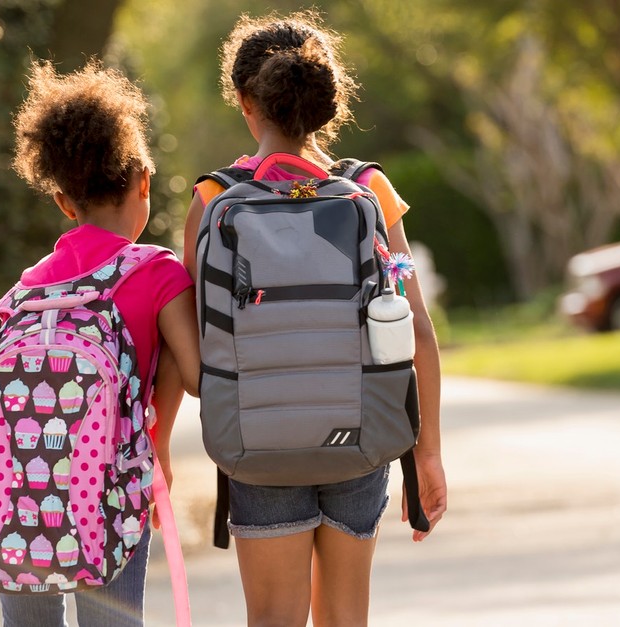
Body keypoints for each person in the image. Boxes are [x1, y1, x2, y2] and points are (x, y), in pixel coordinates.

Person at [181, 12, 448, 627]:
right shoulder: (369, 189)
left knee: (273, 618)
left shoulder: (212, 201)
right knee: (345, 617)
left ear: (246, 101)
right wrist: (425, 455)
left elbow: (197, 352)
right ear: (327, 99)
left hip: (257, 441)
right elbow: (417, 335)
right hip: (358, 437)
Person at [2, 59, 200, 627]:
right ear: (144, 180)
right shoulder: (157, 272)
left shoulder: (32, 283)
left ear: (64, 202)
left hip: (20, 483)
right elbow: (196, 375)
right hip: (109, 481)